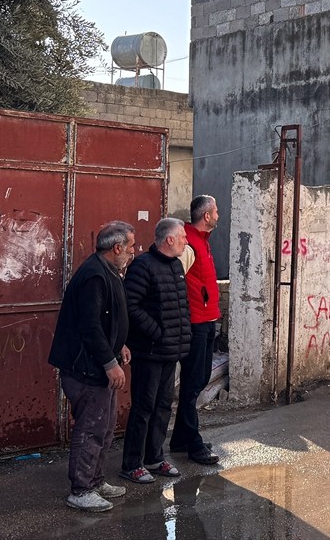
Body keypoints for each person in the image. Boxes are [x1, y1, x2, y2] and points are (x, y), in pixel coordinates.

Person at [48, 221, 136, 512]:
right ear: (117, 247)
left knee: (105, 427)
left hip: (99, 367)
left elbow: (107, 319)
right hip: (86, 369)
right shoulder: (94, 276)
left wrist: (119, 344)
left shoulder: (109, 271)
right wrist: (110, 362)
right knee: (91, 429)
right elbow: (90, 327)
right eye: (131, 247)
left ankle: (96, 481)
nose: (134, 252)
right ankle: (81, 489)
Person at [120, 218, 192, 484]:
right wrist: (157, 332)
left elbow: (178, 307)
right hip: (149, 351)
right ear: (169, 240)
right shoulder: (142, 266)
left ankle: (154, 457)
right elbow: (131, 305)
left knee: (163, 406)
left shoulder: (175, 266)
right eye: (182, 236)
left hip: (170, 351)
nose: (186, 241)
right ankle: (131, 464)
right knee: (143, 407)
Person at [168, 195, 222, 466]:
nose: (218, 215)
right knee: (191, 384)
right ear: (206, 216)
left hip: (207, 319)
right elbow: (172, 278)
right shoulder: (189, 244)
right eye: (215, 211)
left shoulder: (203, 241)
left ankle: (181, 439)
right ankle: (193, 444)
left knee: (199, 379)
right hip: (195, 322)